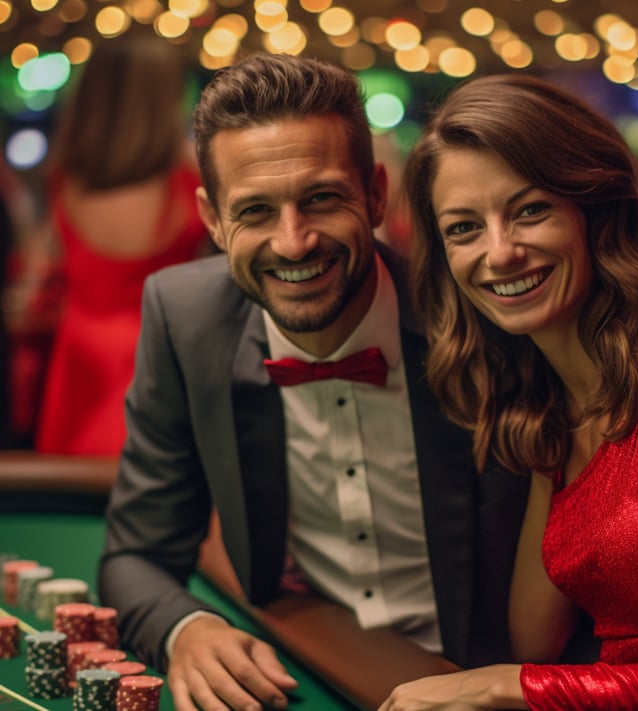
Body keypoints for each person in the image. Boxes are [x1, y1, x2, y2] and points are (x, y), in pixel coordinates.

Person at [98, 52, 532, 711]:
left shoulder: (481, 311)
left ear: (377, 193)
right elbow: (135, 554)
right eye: (255, 212)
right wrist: (188, 628)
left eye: (321, 198)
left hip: (477, 681)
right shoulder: (184, 319)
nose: (293, 241)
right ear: (213, 219)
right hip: (309, 661)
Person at [378, 74, 638, 710]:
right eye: (463, 228)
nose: (499, 252)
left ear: (594, 210)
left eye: (530, 210)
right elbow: (535, 638)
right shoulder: (549, 409)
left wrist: (503, 685)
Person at [33, 26, 213, 455]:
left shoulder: (65, 180)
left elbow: (42, 266)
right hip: (158, 350)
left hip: (78, 354)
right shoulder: (192, 174)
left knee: (70, 500)